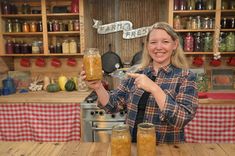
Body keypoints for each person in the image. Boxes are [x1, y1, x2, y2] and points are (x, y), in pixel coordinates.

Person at [81, 22, 198, 144]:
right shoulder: (136, 73)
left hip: (165, 150)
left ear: (175, 45)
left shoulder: (186, 77)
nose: (158, 47)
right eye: (153, 42)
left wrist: (154, 88)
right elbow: (112, 105)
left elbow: (181, 119)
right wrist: (98, 87)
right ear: (147, 46)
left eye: (165, 42)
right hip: (132, 147)